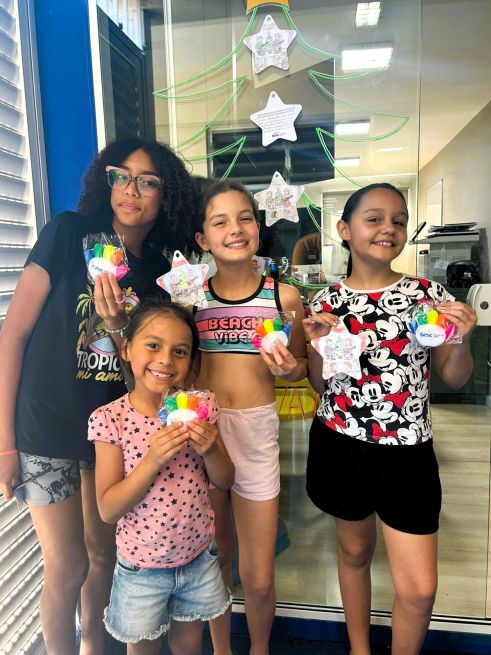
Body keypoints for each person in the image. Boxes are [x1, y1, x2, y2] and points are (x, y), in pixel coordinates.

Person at [0, 136, 197, 655]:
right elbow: (12, 335)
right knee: (67, 567)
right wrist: (4, 444)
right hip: (45, 425)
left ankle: (94, 646)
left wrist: (117, 325)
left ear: (166, 195)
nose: (132, 190)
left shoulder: (160, 274)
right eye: (121, 176)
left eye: (148, 182)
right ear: (106, 181)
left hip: (110, 433)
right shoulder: (70, 233)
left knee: (103, 556)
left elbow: (144, 375)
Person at [302, 183, 477, 655]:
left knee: (419, 589)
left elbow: (454, 377)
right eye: (374, 219)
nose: (389, 229)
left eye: (399, 221)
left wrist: (461, 338)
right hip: (340, 443)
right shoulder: (324, 303)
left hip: (408, 453)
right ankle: (359, 649)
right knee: (354, 553)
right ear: (345, 229)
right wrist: (317, 345)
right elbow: (320, 384)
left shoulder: (429, 296)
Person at [193, 180, 308, 655]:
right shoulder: (191, 297)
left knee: (258, 576)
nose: (235, 229)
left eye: (244, 218)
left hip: (257, 432)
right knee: (216, 563)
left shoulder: (285, 298)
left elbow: (301, 367)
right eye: (220, 222)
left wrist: (289, 369)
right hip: (204, 435)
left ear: (258, 228)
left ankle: (259, 649)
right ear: (202, 239)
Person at [89, 301, 234, 655]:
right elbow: (108, 509)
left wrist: (211, 450)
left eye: (179, 351)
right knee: (143, 648)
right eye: (153, 345)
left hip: (196, 558)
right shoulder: (110, 419)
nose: (166, 359)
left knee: (188, 644)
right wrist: (152, 460)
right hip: (141, 568)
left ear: (191, 360)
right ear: (127, 349)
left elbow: (225, 480)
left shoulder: (201, 407)